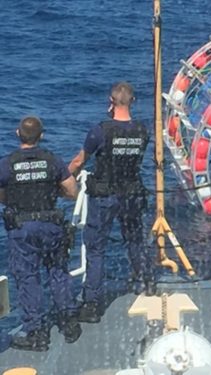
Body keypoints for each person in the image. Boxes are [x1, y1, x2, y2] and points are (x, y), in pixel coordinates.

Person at [68, 82, 154, 324]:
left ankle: (92, 303)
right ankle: (146, 281)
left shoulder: (100, 131)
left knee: (95, 248)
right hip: (132, 194)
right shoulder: (142, 130)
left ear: (111, 101)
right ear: (133, 101)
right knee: (135, 240)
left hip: (105, 196)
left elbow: (78, 161)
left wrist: (64, 181)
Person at [0, 116, 81, 351]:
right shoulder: (52, 161)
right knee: (58, 272)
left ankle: (35, 332)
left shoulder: (7, 164)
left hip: (22, 229)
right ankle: (69, 322)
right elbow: (72, 190)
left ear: (18, 134)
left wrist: (14, 199)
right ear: (41, 136)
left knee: (28, 278)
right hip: (51, 225)